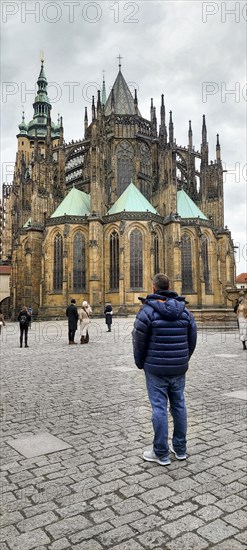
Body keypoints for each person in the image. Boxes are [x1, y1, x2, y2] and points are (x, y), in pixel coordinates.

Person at [132, 273, 197, 466]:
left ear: (153, 288)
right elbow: (192, 339)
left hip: (155, 369)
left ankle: (160, 452)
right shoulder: (185, 311)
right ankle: (180, 449)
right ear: (169, 287)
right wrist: (183, 359)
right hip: (178, 368)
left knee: (159, 408)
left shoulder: (147, 311)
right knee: (179, 406)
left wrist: (140, 362)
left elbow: (138, 341)